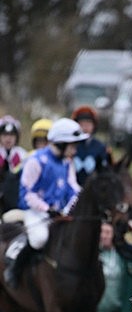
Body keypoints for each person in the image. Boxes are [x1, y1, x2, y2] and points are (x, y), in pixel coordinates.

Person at [3, 117, 89, 288]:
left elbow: (73, 187)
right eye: (72, 145)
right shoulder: (35, 160)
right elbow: (27, 193)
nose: (75, 149)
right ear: (61, 143)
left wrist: (81, 200)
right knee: (40, 238)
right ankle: (14, 270)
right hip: (35, 212)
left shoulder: (67, 162)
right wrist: (46, 209)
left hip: (60, 212)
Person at [71, 105, 110, 186]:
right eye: (82, 124)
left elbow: (105, 171)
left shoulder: (100, 147)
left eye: (88, 124)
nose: (85, 128)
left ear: (94, 126)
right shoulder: (70, 144)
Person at [0, 115, 27, 214]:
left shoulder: (23, 155)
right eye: (4, 135)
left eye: (11, 135)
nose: (8, 139)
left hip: (15, 200)